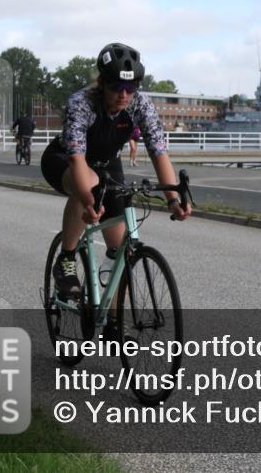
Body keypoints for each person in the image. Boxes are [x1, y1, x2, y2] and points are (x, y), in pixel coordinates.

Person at [41, 43, 192, 298]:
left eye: (131, 88)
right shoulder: (82, 103)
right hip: (65, 160)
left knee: (119, 253)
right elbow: (77, 160)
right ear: (101, 83)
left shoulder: (141, 105)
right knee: (87, 183)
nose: (124, 94)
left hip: (108, 164)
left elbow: (158, 152)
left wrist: (173, 199)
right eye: (116, 87)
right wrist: (89, 203)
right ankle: (66, 260)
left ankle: (111, 326)